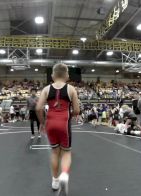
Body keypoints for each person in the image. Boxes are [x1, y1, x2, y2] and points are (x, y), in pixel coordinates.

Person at [36, 63, 80, 195]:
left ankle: (55, 181)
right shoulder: (71, 89)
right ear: (67, 75)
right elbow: (77, 110)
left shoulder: (46, 89)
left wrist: (43, 123)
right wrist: (69, 115)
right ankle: (64, 176)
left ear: (52, 76)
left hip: (50, 123)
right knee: (66, 152)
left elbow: (38, 108)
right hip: (64, 124)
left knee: (55, 152)